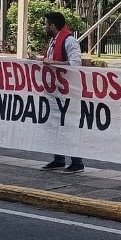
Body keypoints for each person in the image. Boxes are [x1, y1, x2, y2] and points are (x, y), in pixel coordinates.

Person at [40, 12, 85, 173]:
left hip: (68, 93)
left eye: (46, 24)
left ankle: (77, 161)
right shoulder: (53, 40)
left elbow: (75, 63)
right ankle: (58, 158)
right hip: (55, 92)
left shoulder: (69, 40)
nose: (44, 27)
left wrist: (54, 62)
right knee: (55, 126)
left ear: (52, 25)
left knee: (69, 127)